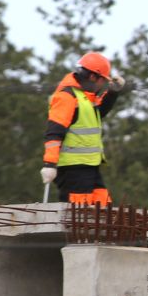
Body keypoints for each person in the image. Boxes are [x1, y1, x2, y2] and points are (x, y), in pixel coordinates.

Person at [41, 51, 124, 205]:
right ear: (93, 77)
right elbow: (54, 133)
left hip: (89, 167)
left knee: (103, 211)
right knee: (79, 217)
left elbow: (98, 111)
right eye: (102, 80)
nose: (102, 84)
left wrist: (112, 92)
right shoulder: (67, 97)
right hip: (73, 170)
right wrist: (50, 164)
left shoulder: (85, 97)